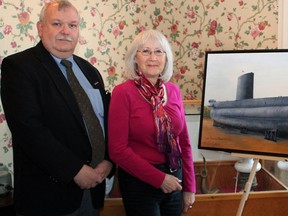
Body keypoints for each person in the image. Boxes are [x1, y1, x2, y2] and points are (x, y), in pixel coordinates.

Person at [1, 1, 114, 215]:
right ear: (40, 27)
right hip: (48, 197)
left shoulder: (91, 71)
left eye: (72, 25)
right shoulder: (19, 67)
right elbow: (29, 130)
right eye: (57, 23)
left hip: (93, 192)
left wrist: (109, 160)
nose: (65, 31)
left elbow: (104, 122)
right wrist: (75, 171)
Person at [108, 29, 196, 216]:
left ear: (166, 58)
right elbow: (117, 150)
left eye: (158, 51)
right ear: (135, 58)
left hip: (175, 179)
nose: (152, 57)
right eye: (145, 51)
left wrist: (190, 187)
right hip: (139, 182)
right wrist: (160, 179)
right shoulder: (123, 93)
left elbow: (184, 143)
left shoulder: (173, 91)